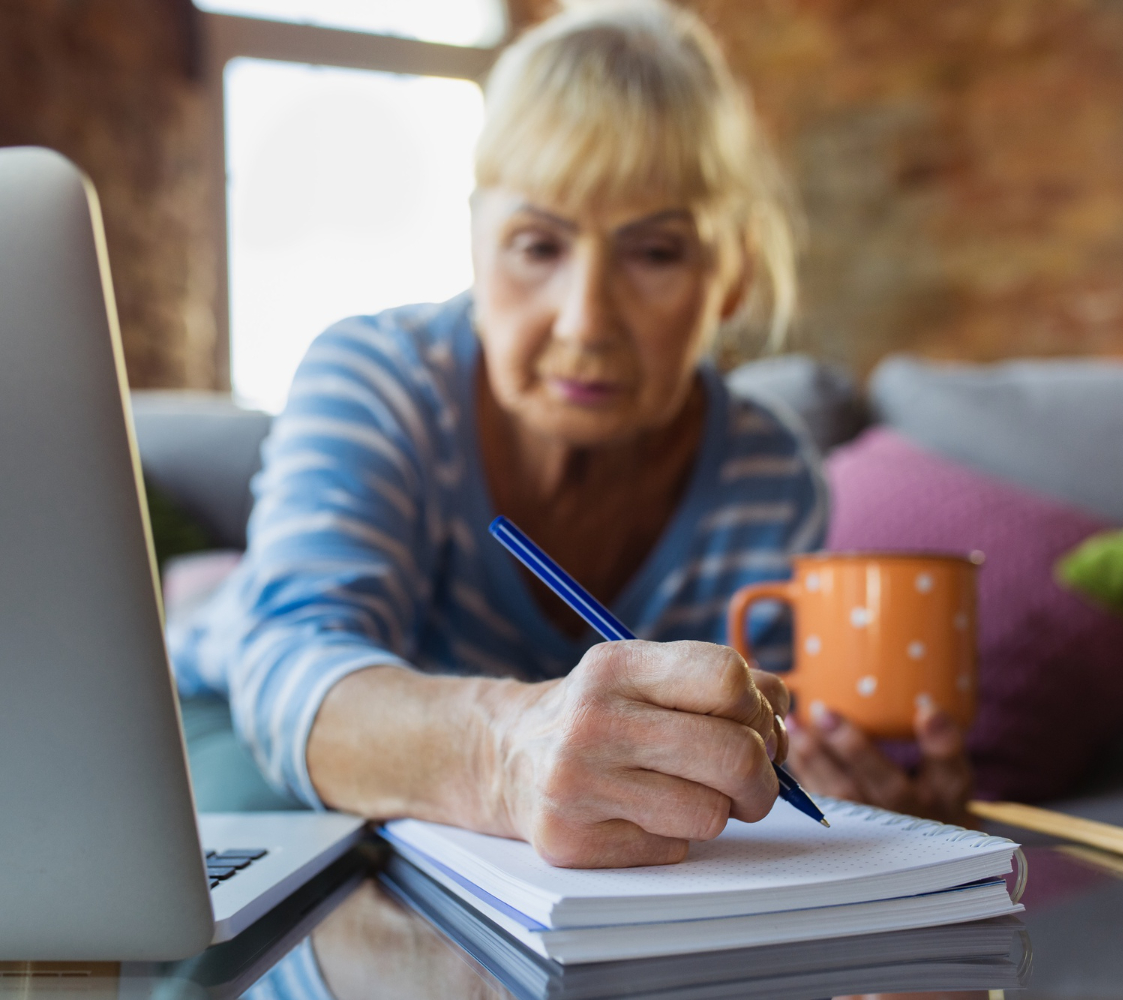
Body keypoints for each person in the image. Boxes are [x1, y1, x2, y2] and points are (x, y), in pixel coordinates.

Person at [170, 0, 972, 869]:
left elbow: (739, 774)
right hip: (236, 736)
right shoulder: (378, 381)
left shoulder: (768, 476)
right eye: (537, 246)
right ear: (475, 243)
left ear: (730, 276)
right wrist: (502, 752)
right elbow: (291, 665)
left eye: (655, 253)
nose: (586, 321)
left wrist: (837, 786)